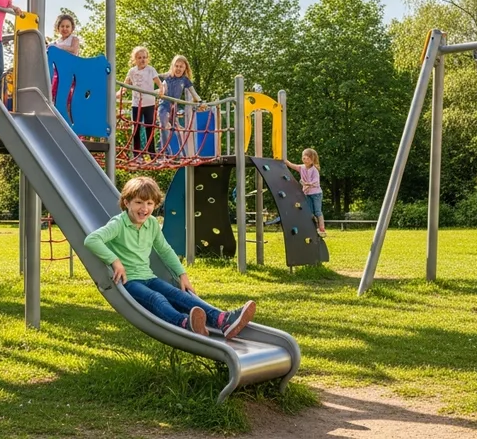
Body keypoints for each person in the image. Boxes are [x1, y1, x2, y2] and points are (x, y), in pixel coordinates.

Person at [84, 177, 256, 338]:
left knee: (178, 294)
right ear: (126, 202)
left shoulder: (151, 224)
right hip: (129, 282)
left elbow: (165, 250)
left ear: (155, 204)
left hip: (149, 277)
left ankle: (221, 320)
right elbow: (92, 239)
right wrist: (115, 261)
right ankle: (183, 323)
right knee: (157, 298)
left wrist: (182, 274)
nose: (144, 209)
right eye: (138, 202)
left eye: (149, 203)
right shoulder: (118, 224)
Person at [117, 46, 162, 157]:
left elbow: (159, 82)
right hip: (136, 104)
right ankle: (137, 154)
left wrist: (161, 89)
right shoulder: (132, 71)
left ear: (148, 59)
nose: (142, 60)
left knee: (149, 127)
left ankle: (152, 153)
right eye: (140, 58)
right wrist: (120, 92)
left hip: (149, 103)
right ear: (135, 59)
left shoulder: (150, 70)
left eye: (145, 57)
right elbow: (126, 85)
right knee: (136, 128)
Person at [156, 55, 203, 156]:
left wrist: (200, 101)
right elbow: (160, 84)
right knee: (163, 125)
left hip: (173, 107)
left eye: (181, 66)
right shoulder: (167, 77)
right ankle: (163, 151)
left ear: (185, 68)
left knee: (175, 129)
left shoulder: (185, 80)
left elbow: (194, 93)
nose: (178, 69)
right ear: (172, 66)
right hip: (164, 105)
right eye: (176, 66)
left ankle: (181, 154)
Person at [285, 149, 325, 236]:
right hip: (307, 194)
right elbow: (292, 165)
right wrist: (285, 161)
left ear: (312, 160)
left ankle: (322, 227)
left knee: (317, 211)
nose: (305, 160)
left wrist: (307, 184)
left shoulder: (314, 170)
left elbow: (316, 182)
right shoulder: (301, 167)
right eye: (304, 158)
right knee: (310, 211)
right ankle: (313, 228)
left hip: (316, 194)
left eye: (307, 159)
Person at [50, 13, 81, 100]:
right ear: (58, 28)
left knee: (69, 93)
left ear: (72, 28)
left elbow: (74, 50)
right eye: (62, 26)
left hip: (71, 70)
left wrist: (60, 47)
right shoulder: (57, 42)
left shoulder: (73, 39)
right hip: (58, 70)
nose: (65, 29)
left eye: (67, 26)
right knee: (55, 89)